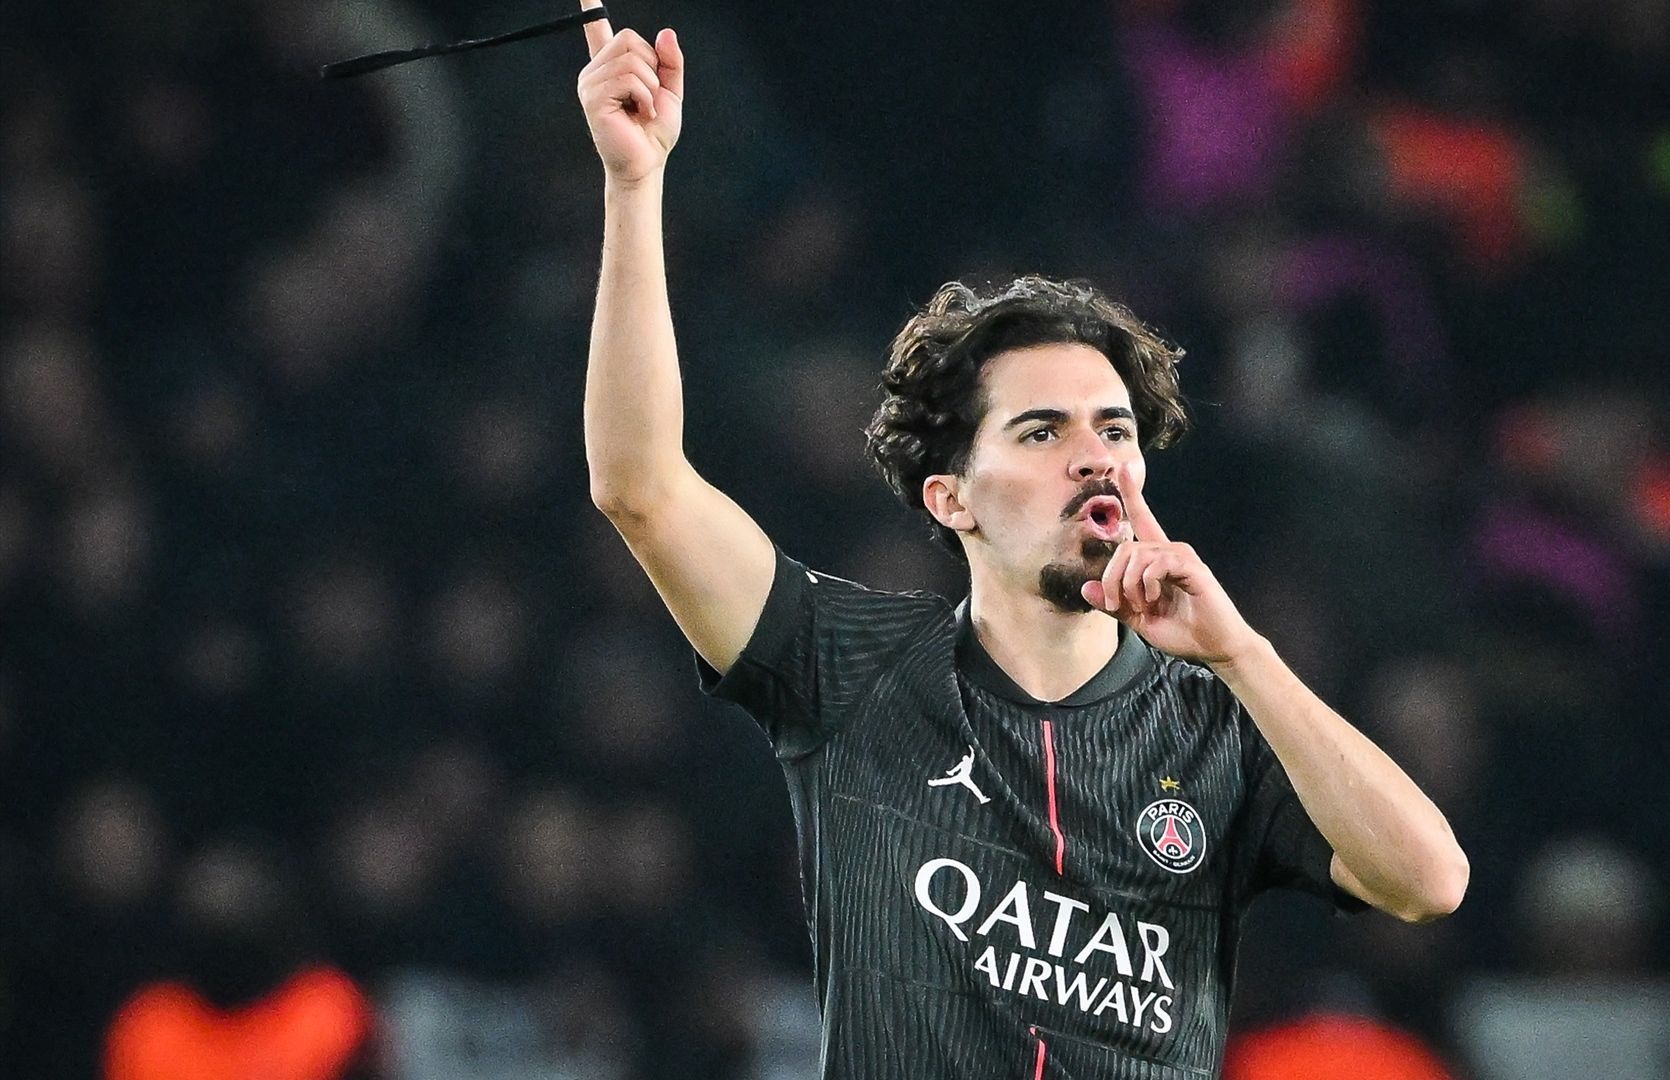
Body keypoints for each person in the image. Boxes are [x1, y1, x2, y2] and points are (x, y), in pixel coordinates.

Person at [573, 12, 1468, 1078]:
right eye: (1042, 432)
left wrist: (1243, 656)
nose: (1094, 458)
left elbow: (1429, 881)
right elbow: (641, 488)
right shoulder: (850, 667)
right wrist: (635, 187)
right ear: (951, 497)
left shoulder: (1215, 727)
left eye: (1115, 431)